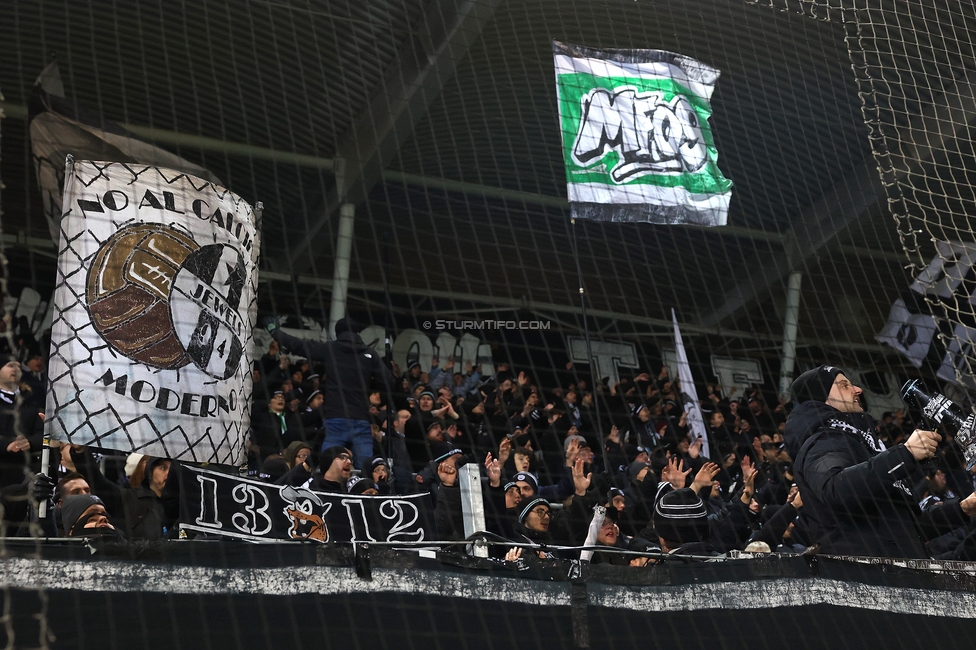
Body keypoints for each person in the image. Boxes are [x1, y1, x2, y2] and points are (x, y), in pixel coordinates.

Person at [785, 365, 976, 558]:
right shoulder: (822, 440)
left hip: (895, 575)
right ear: (821, 399)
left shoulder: (865, 444)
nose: (858, 390)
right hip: (864, 578)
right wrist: (906, 453)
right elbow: (835, 489)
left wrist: (963, 508)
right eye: (844, 385)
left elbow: (906, 531)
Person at [266, 316, 394, 469]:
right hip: (361, 419)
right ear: (358, 332)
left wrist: (275, 331)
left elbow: (299, 346)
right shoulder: (370, 354)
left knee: (329, 466)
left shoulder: (330, 349)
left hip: (335, 418)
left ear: (338, 333)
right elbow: (389, 382)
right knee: (365, 469)